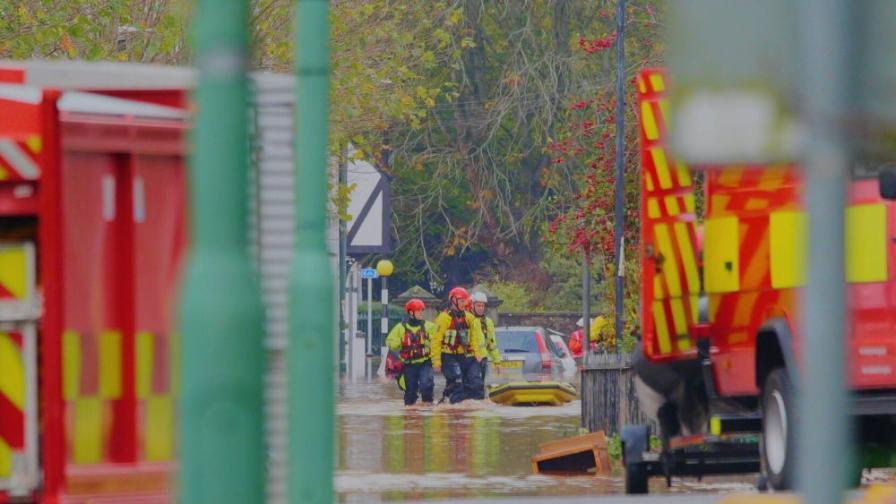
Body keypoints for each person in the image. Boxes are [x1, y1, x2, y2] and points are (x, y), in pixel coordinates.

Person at [431, 287, 486, 404]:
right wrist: (436, 361)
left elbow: (474, 338)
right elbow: (436, 340)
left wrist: (477, 353)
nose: (463, 303)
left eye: (464, 301)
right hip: (449, 356)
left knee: (477, 384)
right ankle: (451, 403)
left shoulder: (470, 318)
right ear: (453, 301)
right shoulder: (443, 318)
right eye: (461, 301)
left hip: (466, 356)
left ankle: (470, 407)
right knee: (457, 382)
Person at [386, 298, 436, 406]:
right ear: (411, 312)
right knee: (410, 393)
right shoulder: (401, 328)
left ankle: (427, 408)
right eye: (419, 311)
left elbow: (438, 338)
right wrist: (401, 341)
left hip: (425, 363)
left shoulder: (429, 326)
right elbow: (389, 342)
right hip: (409, 364)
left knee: (426, 385)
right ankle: (410, 415)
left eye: (422, 310)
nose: (421, 313)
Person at [471, 291, 500, 397]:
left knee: (481, 385)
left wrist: (497, 361)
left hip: (483, 359)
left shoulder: (488, 322)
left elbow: (492, 343)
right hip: (470, 358)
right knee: (475, 385)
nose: (480, 308)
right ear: (472, 305)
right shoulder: (469, 319)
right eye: (478, 305)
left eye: (482, 305)